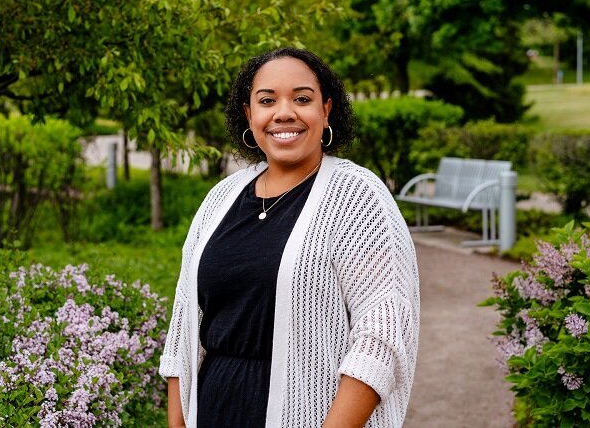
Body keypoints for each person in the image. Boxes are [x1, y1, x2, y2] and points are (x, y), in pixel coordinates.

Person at [159, 47, 419, 427]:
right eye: (267, 100)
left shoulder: (358, 198)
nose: (284, 112)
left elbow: (381, 336)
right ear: (250, 114)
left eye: (302, 98)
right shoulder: (221, 198)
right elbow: (183, 327)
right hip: (213, 410)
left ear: (326, 110)